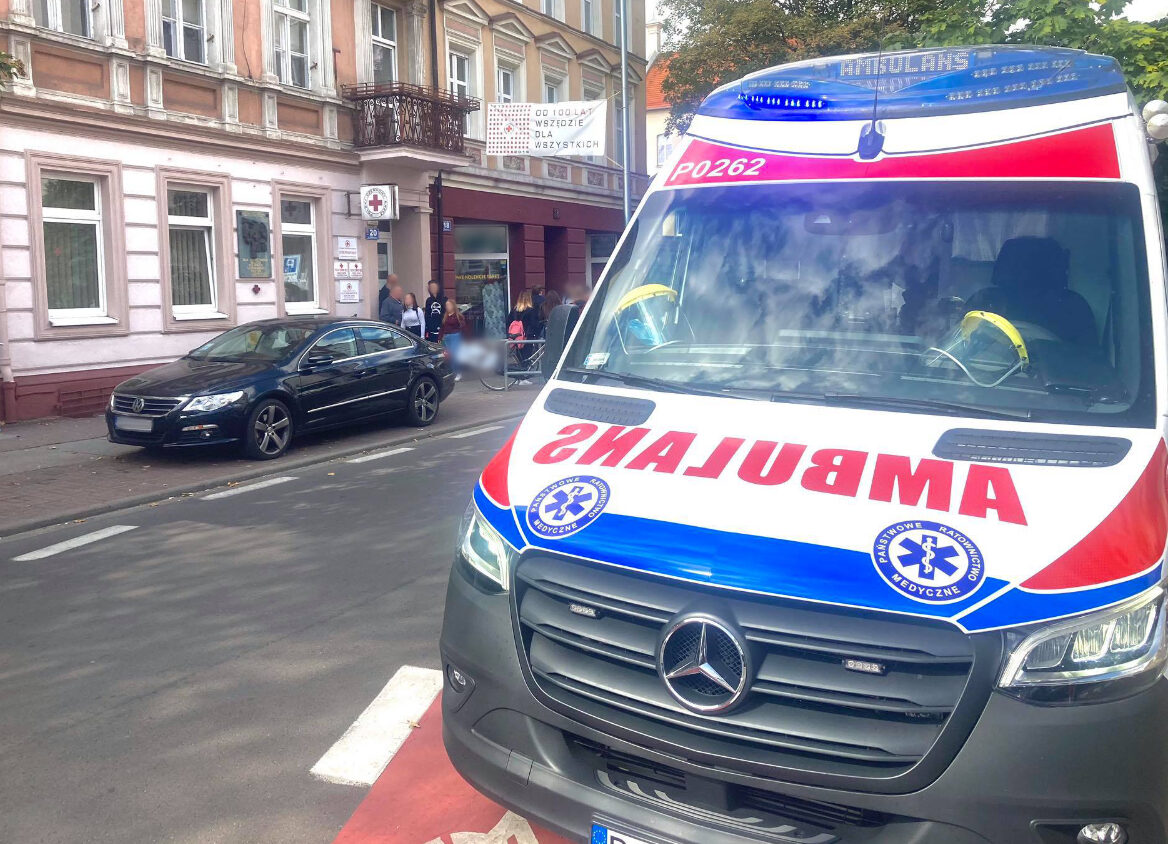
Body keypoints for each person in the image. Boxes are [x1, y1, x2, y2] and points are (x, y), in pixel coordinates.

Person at [438, 298, 466, 381]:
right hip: (447, 337)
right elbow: (442, 327)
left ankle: (458, 372)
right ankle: (453, 372)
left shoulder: (458, 316)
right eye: (446, 305)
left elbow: (463, 326)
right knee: (449, 356)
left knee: (454, 355)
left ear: (453, 306)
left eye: (449, 305)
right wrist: (440, 337)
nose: (447, 307)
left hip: (455, 336)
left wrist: (464, 337)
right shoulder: (445, 316)